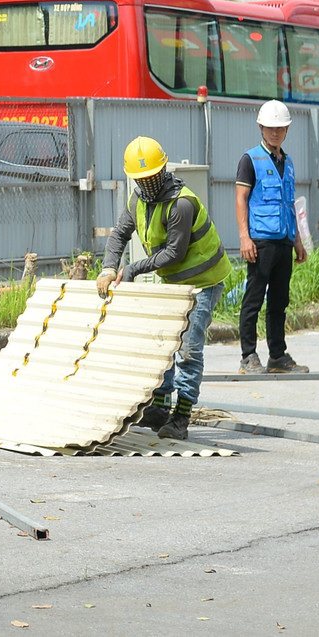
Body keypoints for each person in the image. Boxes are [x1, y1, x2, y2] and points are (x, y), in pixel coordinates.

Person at [96, 136, 231, 440]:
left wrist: (131, 269)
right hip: (175, 282)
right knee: (164, 344)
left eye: (152, 175)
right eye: (141, 178)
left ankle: (181, 417)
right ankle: (159, 409)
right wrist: (108, 268)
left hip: (203, 281)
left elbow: (175, 253)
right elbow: (119, 235)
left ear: (163, 169)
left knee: (188, 349)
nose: (148, 182)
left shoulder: (181, 203)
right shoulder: (136, 201)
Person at [235, 100, 310, 375]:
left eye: (280, 128)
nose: (275, 132)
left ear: (287, 129)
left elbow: (290, 204)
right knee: (253, 298)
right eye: (270, 128)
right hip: (260, 241)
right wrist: (245, 237)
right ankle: (248, 356)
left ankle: (277, 356)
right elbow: (241, 199)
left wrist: (298, 241)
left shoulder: (287, 162)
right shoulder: (250, 159)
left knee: (279, 301)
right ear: (261, 127)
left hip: (284, 241)